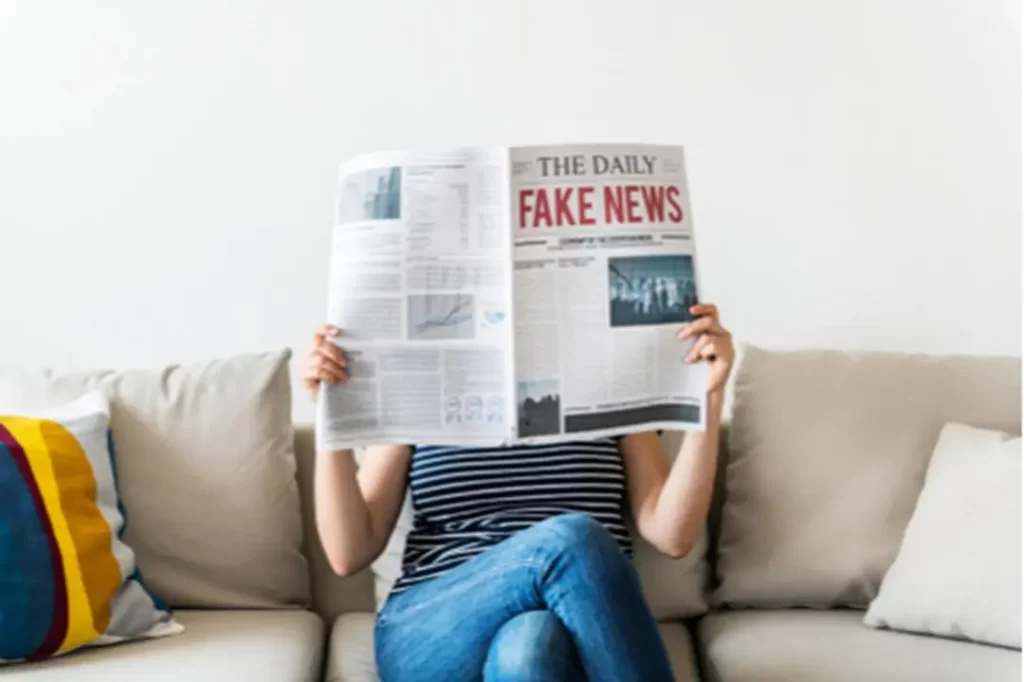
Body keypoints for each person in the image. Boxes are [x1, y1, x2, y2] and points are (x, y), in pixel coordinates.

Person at [306, 304, 734, 682]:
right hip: (432, 630)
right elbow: (349, 552)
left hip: (564, 627)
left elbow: (672, 534)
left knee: (527, 648)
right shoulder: (423, 380)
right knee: (572, 539)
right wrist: (331, 419)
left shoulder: (608, 379)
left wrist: (710, 396)